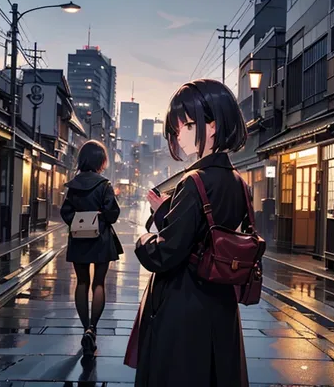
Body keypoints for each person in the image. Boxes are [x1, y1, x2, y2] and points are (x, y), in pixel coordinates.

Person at [129, 79, 250, 386]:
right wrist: (167, 211)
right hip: (220, 302)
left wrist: (143, 241)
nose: (179, 135)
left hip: (185, 305)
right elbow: (206, 233)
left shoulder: (194, 181)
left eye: (186, 125)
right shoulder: (237, 181)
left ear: (212, 126)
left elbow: (166, 253)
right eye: (177, 127)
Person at [60, 140, 121, 357]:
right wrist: (99, 217)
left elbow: (65, 212)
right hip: (101, 240)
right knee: (99, 284)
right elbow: (113, 213)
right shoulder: (104, 185)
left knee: (82, 282)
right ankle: (92, 328)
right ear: (101, 161)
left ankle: (84, 326)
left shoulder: (74, 185)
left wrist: (79, 220)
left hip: (79, 239)